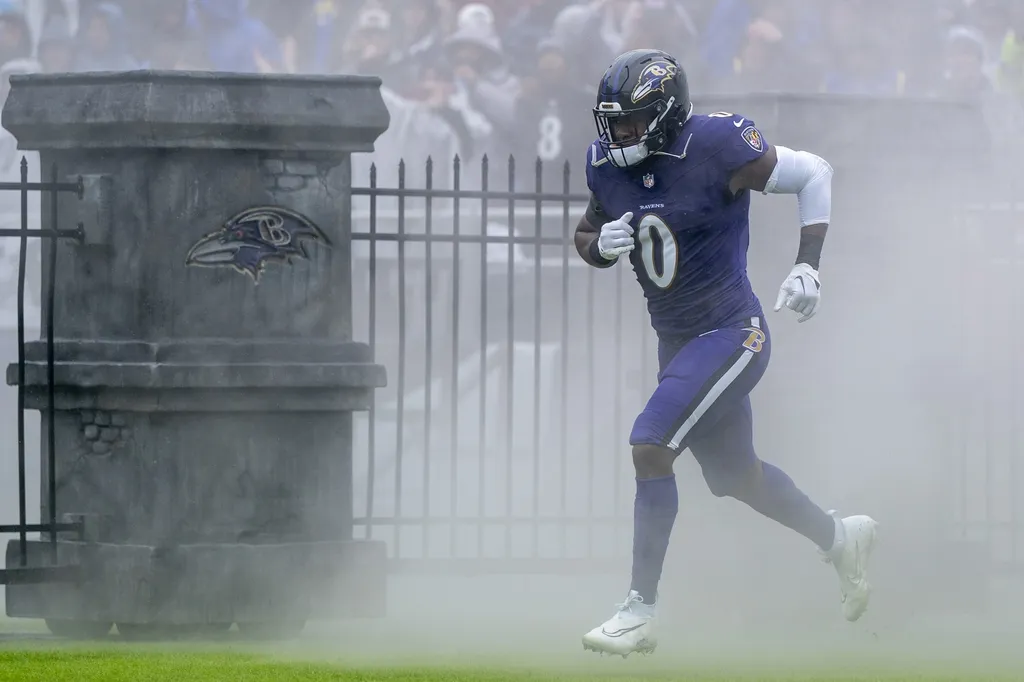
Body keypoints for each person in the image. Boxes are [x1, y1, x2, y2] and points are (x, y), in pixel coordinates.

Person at [574, 48, 878, 658]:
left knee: (650, 444)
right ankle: (839, 536)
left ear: (665, 113)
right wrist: (598, 246)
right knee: (737, 478)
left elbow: (815, 172)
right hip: (677, 339)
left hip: (733, 333)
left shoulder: (716, 144)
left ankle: (639, 611)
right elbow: (587, 232)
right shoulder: (604, 162)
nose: (620, 133)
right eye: (614, 121)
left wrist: (808, 267)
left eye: (632, 120)